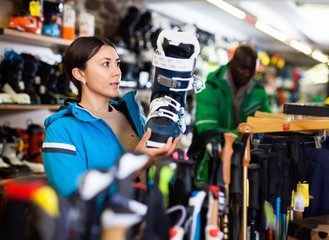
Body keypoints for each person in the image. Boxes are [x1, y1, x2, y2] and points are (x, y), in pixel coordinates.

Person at [41, 36, 179, 198]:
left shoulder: (137, 120)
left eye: (117, 63)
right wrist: (135, 165)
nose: (117, 72)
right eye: (106, 64)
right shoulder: (61, 131)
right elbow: (75, 201)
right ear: (79, 74)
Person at [194, 43, 271, 137]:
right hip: (214, 150)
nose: (247, 74)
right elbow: (207, 129)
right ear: (232, 63)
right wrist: (245, 137)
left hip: (248, 150)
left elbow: (268, 126)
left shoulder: (258, 92)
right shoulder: (211, 87)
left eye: (252, 69)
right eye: (243, 68)